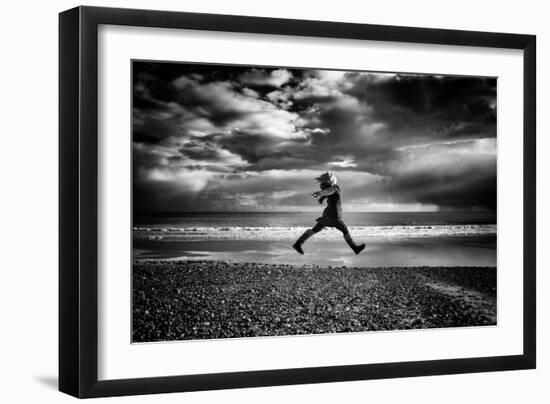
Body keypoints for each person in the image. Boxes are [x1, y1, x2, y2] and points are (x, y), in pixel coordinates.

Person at [292, 171, 366, 255]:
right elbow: (328, 191)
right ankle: (355, 248)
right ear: (332, 180)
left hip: (326, 216)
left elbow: (327, 192)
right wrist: (319, 194)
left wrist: (321, 197)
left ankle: (298, 243)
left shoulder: (329, 189)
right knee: (345, 231)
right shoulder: (333, 188)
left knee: (315, 230)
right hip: (334, 217)